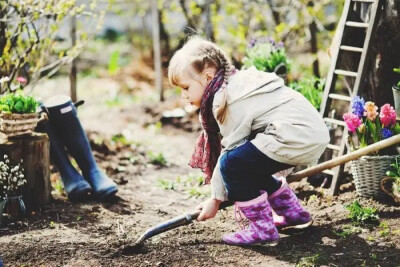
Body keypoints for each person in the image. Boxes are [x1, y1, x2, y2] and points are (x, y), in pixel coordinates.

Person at [168, 36, 329, 246]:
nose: (183, 97)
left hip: (293, 134)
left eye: (186, 88)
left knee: (232, 164)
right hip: (310, 134)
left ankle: (262, 231)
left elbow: (230, 152)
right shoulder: (235, 83)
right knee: (247, 163)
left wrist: (215, 199)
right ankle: (293, 214)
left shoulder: (226, 98)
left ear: (208, 77)